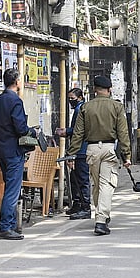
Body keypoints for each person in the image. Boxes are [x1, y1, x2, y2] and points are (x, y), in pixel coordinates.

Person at [67, 75, 131, 236]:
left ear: (95, 90)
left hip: (91, 150)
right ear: (109, 90)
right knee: (107, 184)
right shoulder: (116, 107)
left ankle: (101, 214)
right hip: (109, 148)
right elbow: (123, 133)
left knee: (97, 184)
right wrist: (126, 155)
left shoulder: (85, 107)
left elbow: (77, 133)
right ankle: (101, 220)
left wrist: (71, 154)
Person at [0, 68, 37, 240]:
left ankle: (11, 225)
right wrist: (32, 132)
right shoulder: (15, 101)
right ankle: (6, 227)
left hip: (1, 149)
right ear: (17, 82)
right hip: (14, 150)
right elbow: (21, 128)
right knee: (12, 190)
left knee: (9, 187)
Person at [55, 88, 91, 219]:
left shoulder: (80, 110)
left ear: (80, 97)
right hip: (80, 149)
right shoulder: (81, 109)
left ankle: (84, 205)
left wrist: (67, 132)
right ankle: (77, 204)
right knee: (75, 178)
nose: (70, 101)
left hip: (81, 150)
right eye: (69, 98)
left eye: (72, 99)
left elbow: (78, 132)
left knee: (81, 179)